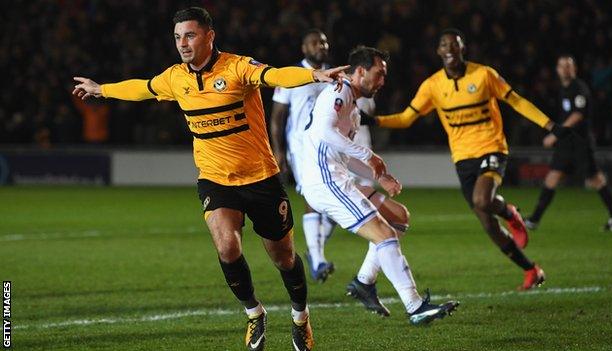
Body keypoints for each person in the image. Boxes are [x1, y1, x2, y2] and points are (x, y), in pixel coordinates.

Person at [72, 7, 348, 351]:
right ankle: (254, 313)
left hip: (260, 177)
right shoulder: (176, 78)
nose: (183, 44)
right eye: (177, 37)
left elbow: (276, 76)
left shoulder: (237, 67)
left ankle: (300, 317)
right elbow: (143, 88)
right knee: (227, 247)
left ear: (209, 36)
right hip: (216, 178)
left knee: (284, 258)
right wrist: (103, 89)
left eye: (190, 35)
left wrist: (313, 76)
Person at [361, 29, 569, 290]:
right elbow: (406, 118)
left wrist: (549, 125)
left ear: (462, 49)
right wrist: (375, 120)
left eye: (454, 45)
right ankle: (531, 270)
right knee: (487, 222)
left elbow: (516, 101)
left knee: (483, 199)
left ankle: (509, 212)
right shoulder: (433, 86)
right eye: (444, 45)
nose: (449, 49)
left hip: (492, 148)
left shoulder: (484, 75)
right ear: (438, 51)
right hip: (462, 158)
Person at [301, 46, 459, 325]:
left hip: (336, 175)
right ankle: (415, 305)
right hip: (324, 180)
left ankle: (364, 282)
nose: (383, 81)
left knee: (398, 218)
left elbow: (345, 155)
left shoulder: (354, 107)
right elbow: (324, 132)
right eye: (379, 73)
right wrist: (369, 156)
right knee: (384, 234)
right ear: (360, 71)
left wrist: (379, 175)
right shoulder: (339, 93)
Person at [270, 29, 394, 285]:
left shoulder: (336, 75)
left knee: (337, 198)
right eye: (314, 42)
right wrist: (279, 151)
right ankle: (316, 258)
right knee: (314, 196)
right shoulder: (292, 76)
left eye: (324, 41)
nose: (320, 46)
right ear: (304, 48)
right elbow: (277, 117)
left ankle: (317, 253)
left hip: (336, 148)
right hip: (303, 146)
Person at [524, 55, 612, 232]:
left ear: (574, 69)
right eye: (562, 66)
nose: (565, 69)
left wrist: (555, 135)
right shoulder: (563, 89)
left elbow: (578, 114)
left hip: (580, 143)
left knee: (597, 180)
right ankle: (534, 220)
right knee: (552, 178)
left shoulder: (579, 88)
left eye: (568, 66)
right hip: (566, 144)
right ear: (557, 69)